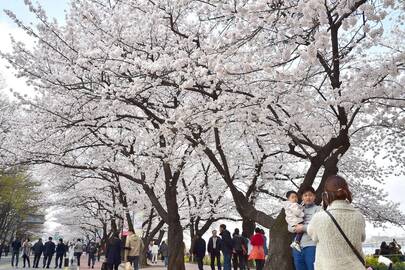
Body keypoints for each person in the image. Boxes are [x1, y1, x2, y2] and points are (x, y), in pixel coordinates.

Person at [308, 175, 366, 270]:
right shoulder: (359, 216)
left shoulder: (319, 217)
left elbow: (313, 236)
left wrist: (324, 208)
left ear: (326, 195)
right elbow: (362, 238)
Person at [288, 186, 321, 270]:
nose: (308, 197)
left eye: (310, 195)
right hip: (297, 246)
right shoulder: (297, 209)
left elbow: (319, 227)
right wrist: (295, 228)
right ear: (302, 197)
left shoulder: (319, 209)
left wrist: (303, 227)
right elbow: (290, 226)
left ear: (314, 197)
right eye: (305, 195)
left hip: (312, 245)